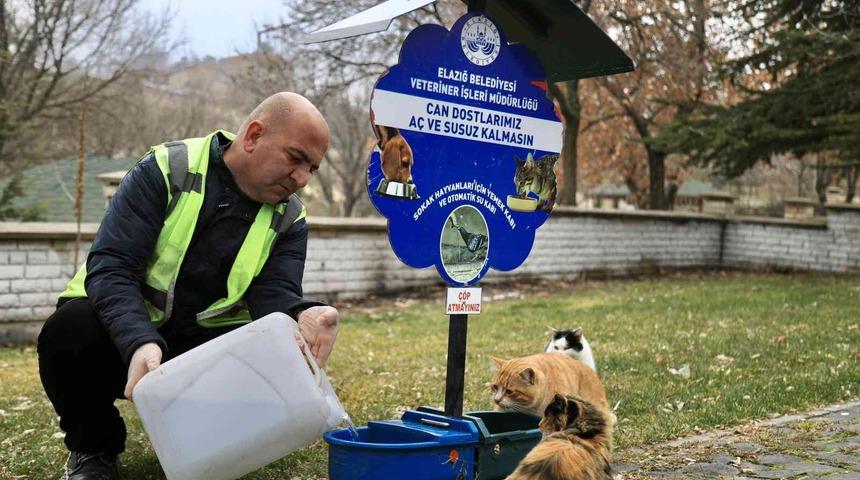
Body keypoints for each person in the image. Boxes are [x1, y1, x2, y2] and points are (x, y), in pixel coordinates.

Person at [37, 92, 339, 480]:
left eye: (311, 169)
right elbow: (111, 267)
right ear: (253, 136)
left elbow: (274, 296)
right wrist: (139, 341)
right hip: (126, 338)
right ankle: (94, 449)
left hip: (204, 352)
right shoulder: (165, 169)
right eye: (295, 158)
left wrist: (303, 313)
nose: (301, 179)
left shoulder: (291, 219)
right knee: (68, 331)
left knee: (272, 353)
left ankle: (205, 446)